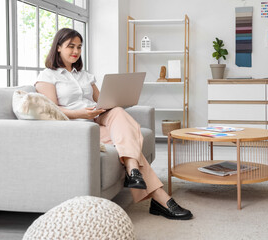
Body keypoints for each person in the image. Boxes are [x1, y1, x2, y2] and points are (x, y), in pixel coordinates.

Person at [35, 28, 193, 220]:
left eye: (79, 46)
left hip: (96, 116)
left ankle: (134, 172)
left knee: (117, 111)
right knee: (130, 138)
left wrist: (111, 102)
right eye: (71, 46)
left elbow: (102, 100)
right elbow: (54, 109)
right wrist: (80, 112)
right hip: (77, 126)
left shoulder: (84, 75)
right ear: (58, 47)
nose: (76, 51)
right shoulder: (48, 76)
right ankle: (158, 196)